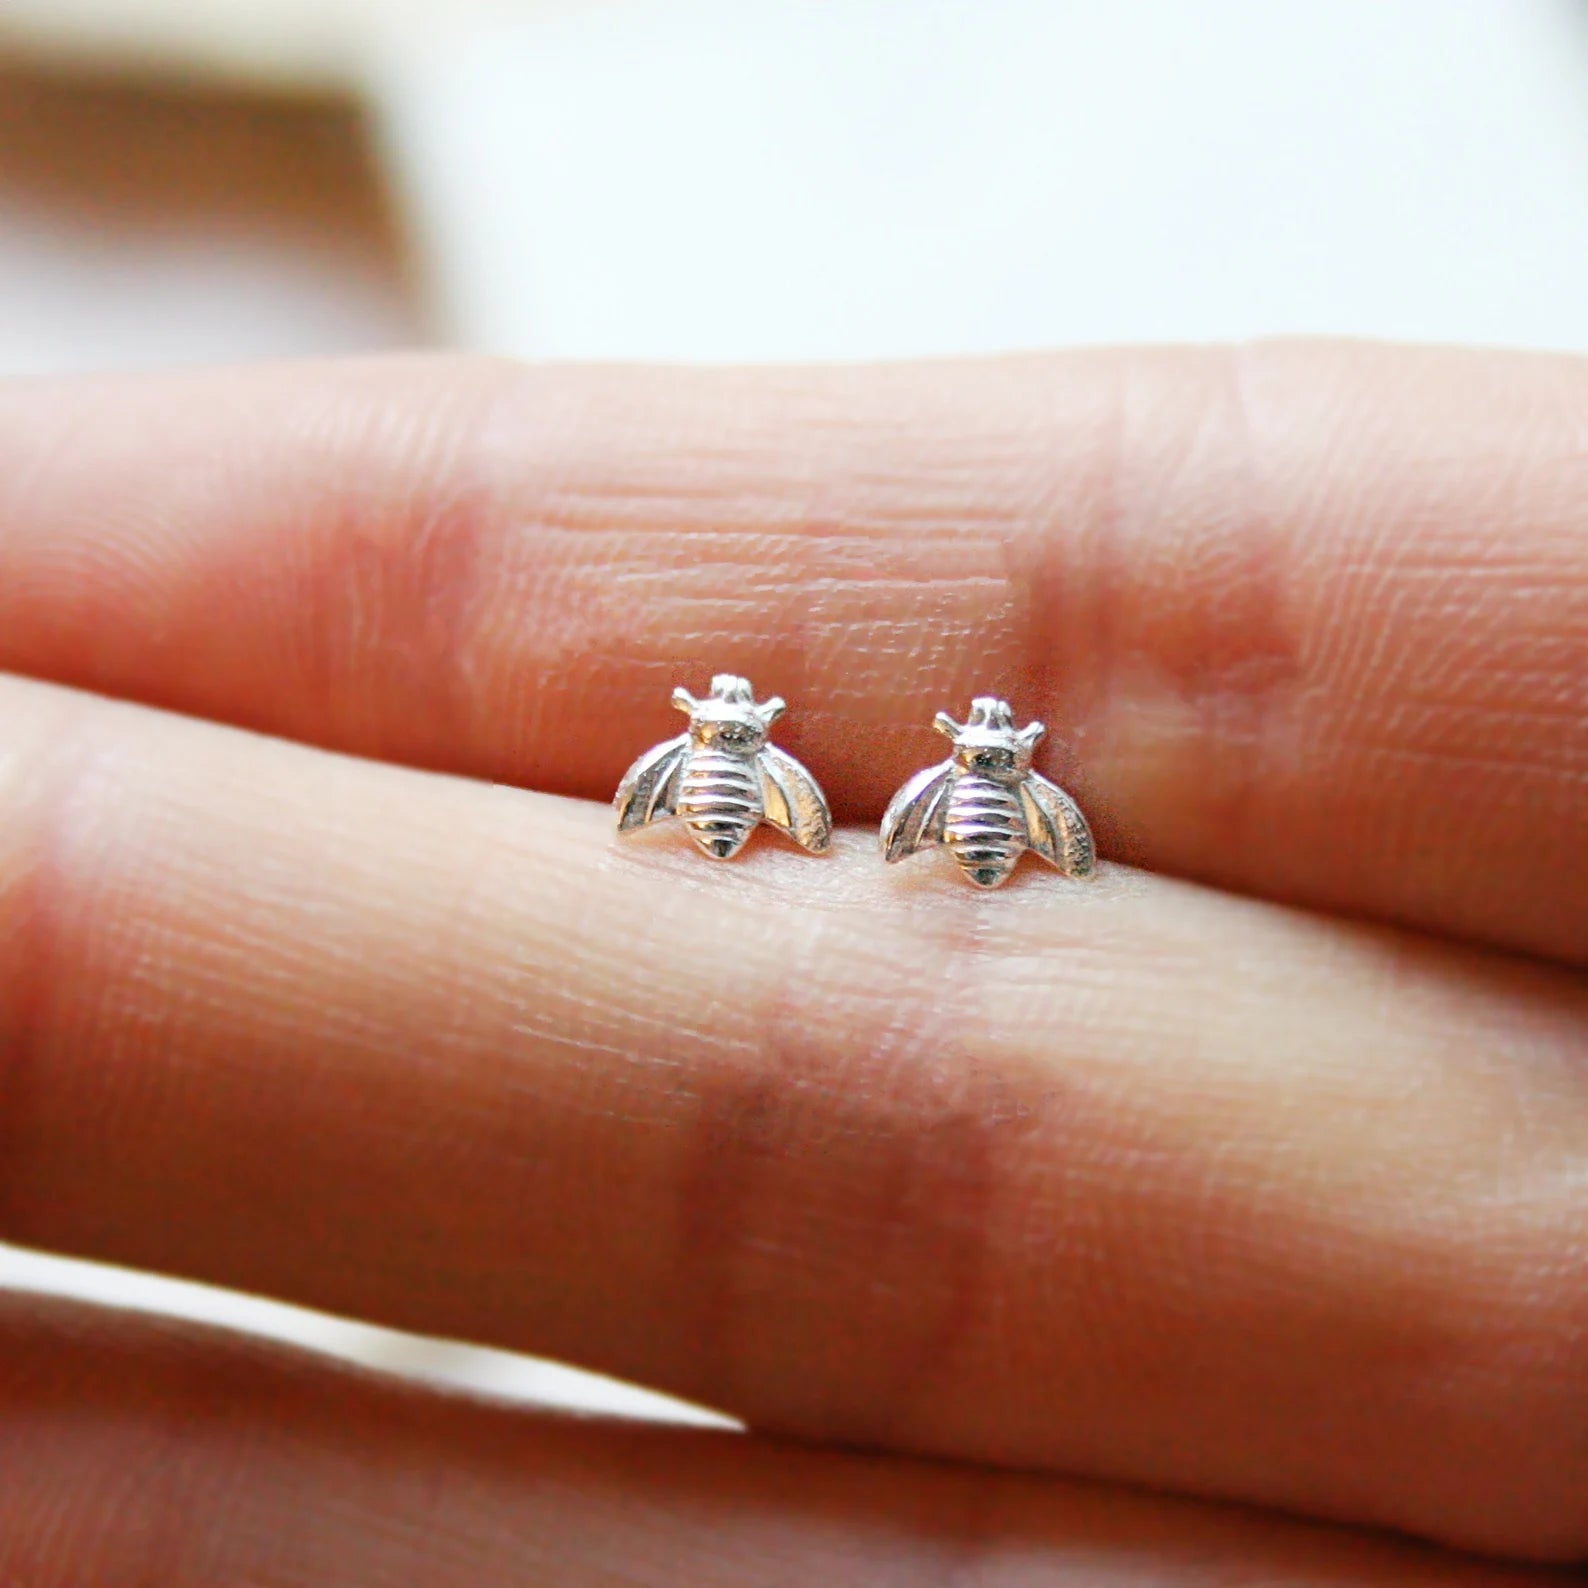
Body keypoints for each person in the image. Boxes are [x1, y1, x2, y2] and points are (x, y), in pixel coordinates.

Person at [0, 342, 1581, 1582]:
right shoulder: (791, 787)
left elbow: (904, 824)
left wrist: (914, 835)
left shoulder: (908, 798)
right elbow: (803, 818)